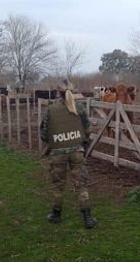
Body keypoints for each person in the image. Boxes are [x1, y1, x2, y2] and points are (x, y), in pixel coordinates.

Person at [39, 79, 97, 229]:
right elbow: (89, 129)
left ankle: (56, 215)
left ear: (58, 92)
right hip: (77, 151)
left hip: (58, 153)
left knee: (58, 185)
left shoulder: (51, 110)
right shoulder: (80, 108)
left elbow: (44, 135)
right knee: (81, 185)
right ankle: (88, 218)